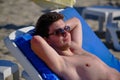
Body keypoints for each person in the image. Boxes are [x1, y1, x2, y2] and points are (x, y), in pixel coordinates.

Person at [31, 12, 120, 80]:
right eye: (58, 32)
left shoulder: (76, 48)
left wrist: (61, 29)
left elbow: (76, 21)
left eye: (66, 29)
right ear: (47, 40)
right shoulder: (61, 62)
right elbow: (36, 40)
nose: (65, 33)